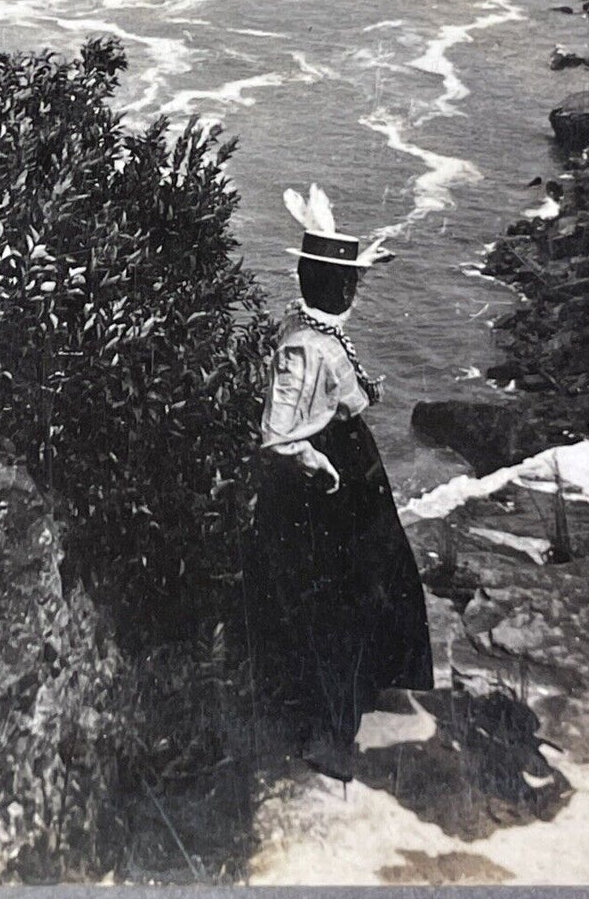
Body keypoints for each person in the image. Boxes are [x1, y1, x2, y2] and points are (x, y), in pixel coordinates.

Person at [251, 185, 433, 782]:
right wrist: (318, 463)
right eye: (347, 282)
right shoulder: (304, 346)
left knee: (372, 580)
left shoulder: (313, 326)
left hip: (346, 474)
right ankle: (331, 729)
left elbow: (332, 365)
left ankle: (359, 695)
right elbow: (277, 433)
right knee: (333, 599)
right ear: (331, 288)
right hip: (323, 487)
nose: (352, 290)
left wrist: (363, 261)